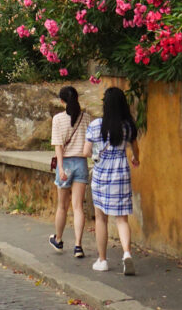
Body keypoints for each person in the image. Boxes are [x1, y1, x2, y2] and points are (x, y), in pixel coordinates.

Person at [84, 86, 140, 276]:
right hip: (121, 173)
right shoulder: (128, 126)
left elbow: (86, 152)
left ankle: (102, 259)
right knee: (122, 218)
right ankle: (126, 253)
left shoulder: (96, 125)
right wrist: (135, 159)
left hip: (102, 174)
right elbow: (135, 151)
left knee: (101, 218)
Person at [49, 86, 91, 258]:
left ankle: (58, 240)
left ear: (62, 101)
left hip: (65, 163)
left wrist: (60, 168)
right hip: (81, 163)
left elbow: (58, 146)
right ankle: (78, 246)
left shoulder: (58, 119)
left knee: (62, 206)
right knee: (78, 207)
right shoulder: (86, 118)